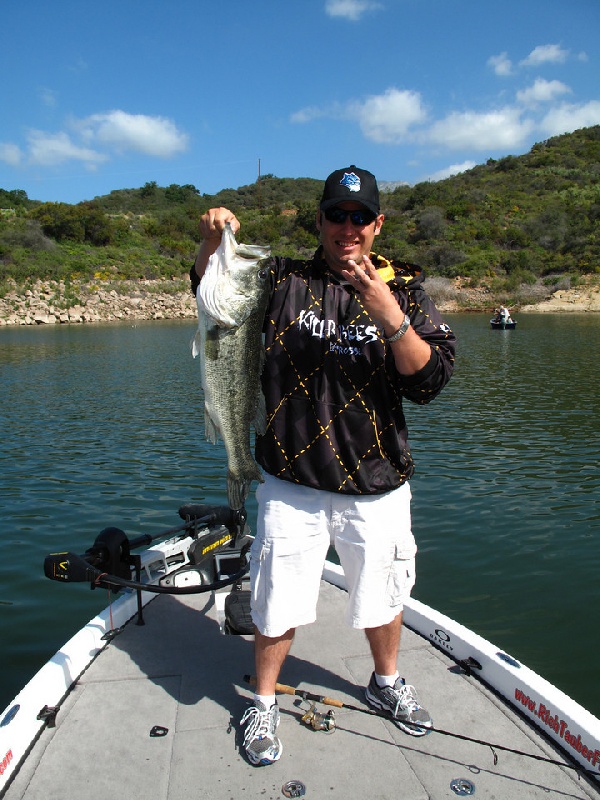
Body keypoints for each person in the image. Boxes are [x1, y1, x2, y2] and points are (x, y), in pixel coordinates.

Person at [191, 166, 456, 766]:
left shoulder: (406, 286)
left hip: (377, 484)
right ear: (319, 220)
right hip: (291, 481)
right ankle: (262, 700)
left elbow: (431, 380)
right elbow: (211, 287)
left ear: (377, 224)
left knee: (384, 594)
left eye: (360, 217)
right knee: (276, 598)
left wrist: (388, 312)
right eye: (336, 215)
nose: (347, 227)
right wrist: (211, 238)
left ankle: (385, 683)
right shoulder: (280, 277)